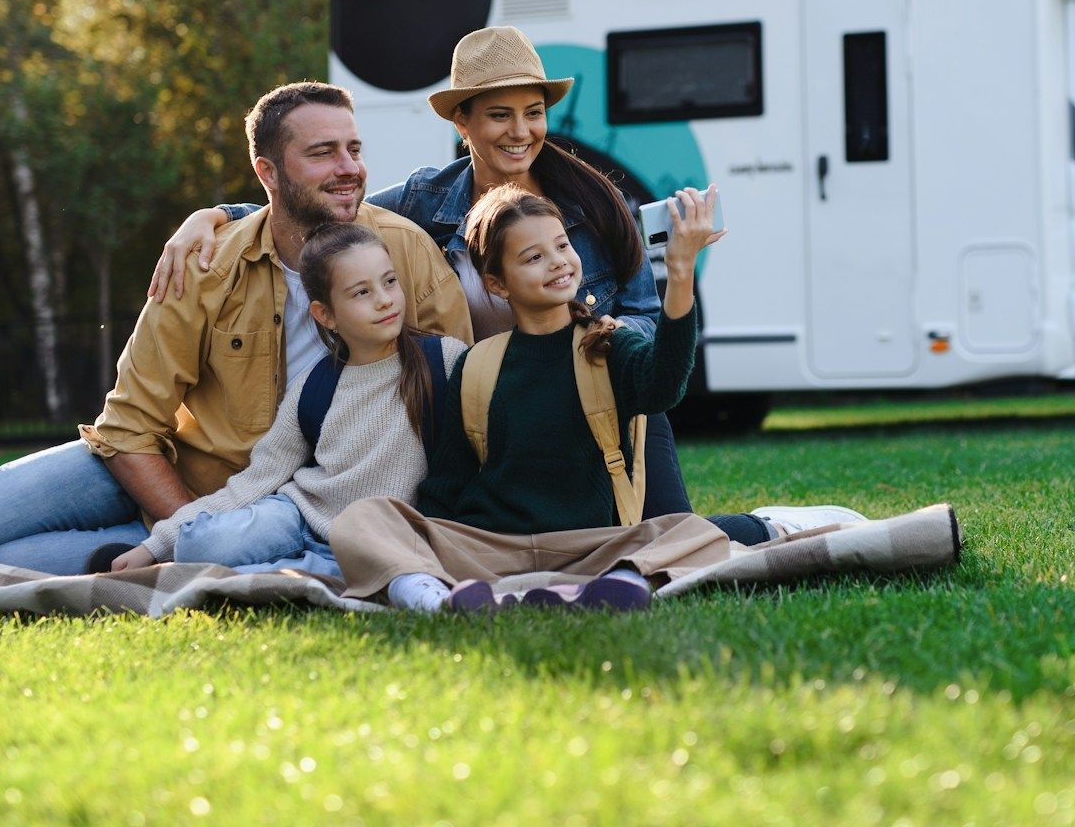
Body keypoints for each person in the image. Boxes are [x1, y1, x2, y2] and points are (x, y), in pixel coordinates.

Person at [151, 27, 718, 528]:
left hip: (594, 393)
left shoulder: (595, 204)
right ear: (461, 121)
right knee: (502, 536)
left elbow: (644, 312)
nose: (521, 131)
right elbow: (329, 212)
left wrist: (618, 338)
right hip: (484, 411)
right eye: (500, 114)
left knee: (671, 534)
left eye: (534, 111)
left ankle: (771, 532)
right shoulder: (424, 202)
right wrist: (216, 216)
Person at [0, 83, 472, 574]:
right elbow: (129, 424)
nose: (349, 168)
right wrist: (183, 532)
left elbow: (456, 398)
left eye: (353, 149)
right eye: (323, 153)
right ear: (266, 172)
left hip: (286, 507)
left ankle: (135, 550)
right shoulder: (205, 262)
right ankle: (147, 545)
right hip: (180, 477)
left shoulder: (403, 250)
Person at [331, 184, 735, 613]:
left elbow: (666, 383)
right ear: (497, 283)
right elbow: (447, 483)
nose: (558, 261)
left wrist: (680, 271)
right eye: (533, 257)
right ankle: (435, 600)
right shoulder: (477, 364)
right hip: (491, 547)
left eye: (562, 245)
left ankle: (622, 581)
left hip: (593, 546)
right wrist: (423, 540)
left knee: (693, 533)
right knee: (363, 520)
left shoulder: (607, 344)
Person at [103, 222, 467, 578]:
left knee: (365, 560)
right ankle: (287, 570)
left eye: (389, 282)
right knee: (201, 545)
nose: (385, 300)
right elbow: (255, 481)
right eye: (361, 293)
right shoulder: (315, 387)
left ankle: (290, 572)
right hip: (298, 516)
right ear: (325, 315)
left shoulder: (444, 361)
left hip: (377, 532)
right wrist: (154, 545)